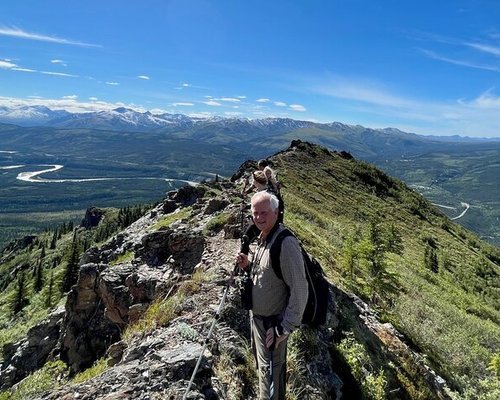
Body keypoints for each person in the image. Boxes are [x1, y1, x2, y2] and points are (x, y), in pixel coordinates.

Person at [236, 191, 308, 400]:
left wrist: (283, 329)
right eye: (255, 213)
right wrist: (247, 266)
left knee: (270, 386)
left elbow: (300, 289)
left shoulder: (285, 243)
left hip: (272, 329)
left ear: (276, 213)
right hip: (258, 323)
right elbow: (267, 276)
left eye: (264, 213)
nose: (258, 218)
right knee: (264, 376)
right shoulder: (263, 237)